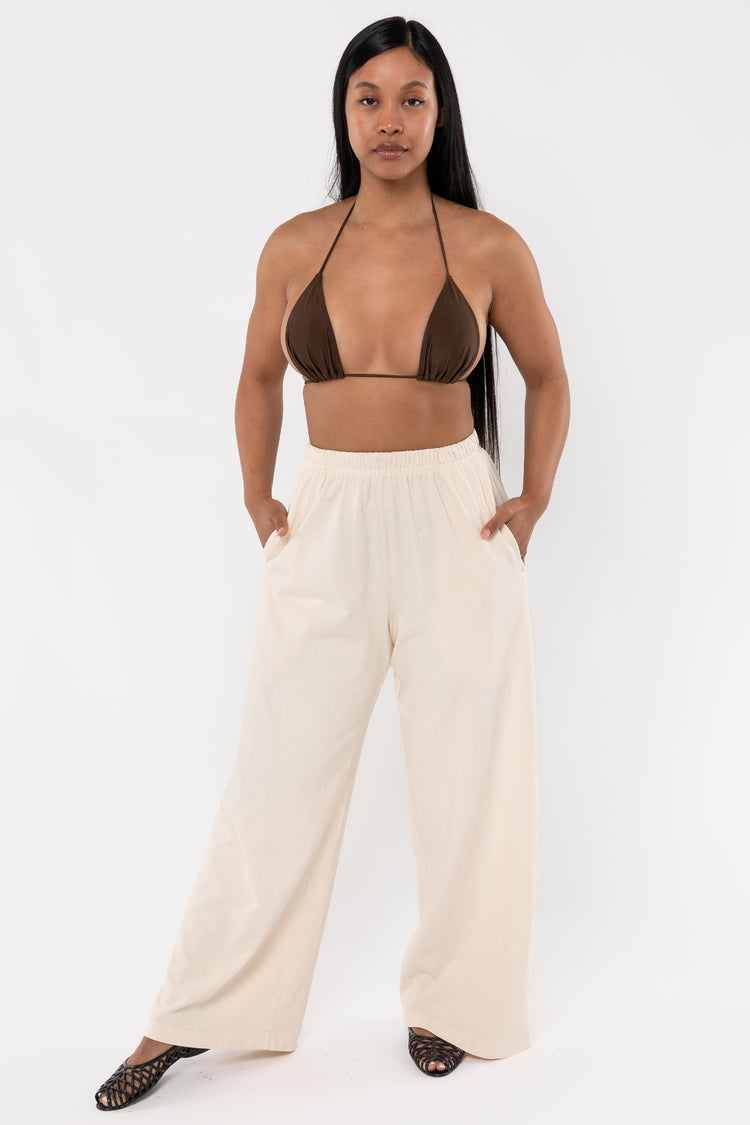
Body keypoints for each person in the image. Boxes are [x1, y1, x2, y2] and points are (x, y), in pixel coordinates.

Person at [94, 14, 570, 1110]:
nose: (389, 120)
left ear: (439, 113)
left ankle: (458, 1003)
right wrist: (257, 495)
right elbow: (258, 377)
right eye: (369, 98)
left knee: (471, 774)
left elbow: (549, 375)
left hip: (455, 521)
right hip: (330, 515)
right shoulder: (295, 245)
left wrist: (533, 498)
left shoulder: (488, 245)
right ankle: (197, 1012)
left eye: (411, 98)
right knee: (277, 772)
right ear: (343, 113)